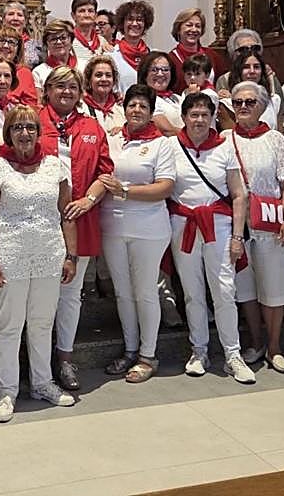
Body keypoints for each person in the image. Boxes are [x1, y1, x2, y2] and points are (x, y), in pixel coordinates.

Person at [0, 106, 77, 422]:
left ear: (39, 132)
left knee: (42, 323)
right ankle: (7, 391)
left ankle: (42, 383)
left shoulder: (55, 166)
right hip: (10, 257)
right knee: (9, 326)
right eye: (18, 127)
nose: (25, 133)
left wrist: (70, 255)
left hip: (49, 255)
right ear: (8, 132)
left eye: (31, 127)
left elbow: (66, 212)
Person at [166, 92, 255, 384]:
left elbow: (239, 194)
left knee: (224, 289)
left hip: (219, 224)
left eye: (205, 114)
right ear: (184, 117)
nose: (200, 120)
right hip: (184, 224)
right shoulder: (171, 146)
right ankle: (199, 350)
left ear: (213, 116)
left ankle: (233, 354)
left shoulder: (224, 147)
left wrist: (238, 236)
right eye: (194, 114)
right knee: (192, 291)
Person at [37, 66, 113, 390]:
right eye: (59, 86)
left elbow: (105, 172)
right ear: (48, 90)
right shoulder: (33, 121)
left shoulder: (92, 127)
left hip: (80, 220)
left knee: (70, 295)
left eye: (72, 86)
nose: (66, 92)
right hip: (39, 221)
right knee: (39, 297)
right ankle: (37, 363)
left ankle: (65, 359)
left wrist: (89, 200)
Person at [97, 84, 176, 383]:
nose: (137, 110)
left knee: (144, 292)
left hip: (148, 228)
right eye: (132, 105)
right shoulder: (114, 138)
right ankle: (130, 350)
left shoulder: (161, 144)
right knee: (123, 292)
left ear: (151, 110)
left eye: (143, 106)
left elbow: (165, 187)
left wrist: (126, 190)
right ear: (124, 107)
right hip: (113, 226)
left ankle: (148, 355)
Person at [228, 80, 284, 374]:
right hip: (238, 227)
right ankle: (256, 342)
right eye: (238, 103)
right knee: (245, 289)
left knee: (274, 287)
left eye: (250, 102)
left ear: (263, 106)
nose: (244, 107)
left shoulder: (275, 140)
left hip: (270, 223)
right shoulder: (224, 138)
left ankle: (275, 347)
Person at [218, 48, 284, 133]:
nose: (252, 71)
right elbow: (232, 138)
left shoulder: (274, 100)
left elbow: (280, 135)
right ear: (239, 71)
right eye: (246, 67)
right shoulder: (227, 104)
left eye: (256, 67)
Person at [167, 8, 228, 91]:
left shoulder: (212, 55)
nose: (194, 29)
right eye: (189, 25)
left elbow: (224, 82)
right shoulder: (171, 59)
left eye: (198, 26)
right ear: (178, 29)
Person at [214, 29, 283, 96]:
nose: (250, 52)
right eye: (243, 49)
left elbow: (281, 107)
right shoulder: (224, 80)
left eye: (255, 48)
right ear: (233, 54)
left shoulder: (270, 77)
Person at [82, 55, 125, 153]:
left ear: (114, 81)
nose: (104, 79)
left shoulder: (122, 106)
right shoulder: (80, 107)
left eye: (108, 75)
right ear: (89, 80)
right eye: (98, 75)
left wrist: (125, 129)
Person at [0, 24, 39, 106]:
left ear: (18, 49)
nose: (5, 46)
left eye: (11, 42)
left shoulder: (24, 73)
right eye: (2, 41)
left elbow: (32, 108)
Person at [111, 0, 154, 92]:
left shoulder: (153, 56)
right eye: (130, 19)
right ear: (122, 23)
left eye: (139, 20)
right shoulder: (111, 56)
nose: (134, 24)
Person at [138, 51, 183, 135]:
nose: (160, 74)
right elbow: (167, 130)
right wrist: (196, 135)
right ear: (145, 74)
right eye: (154, 70)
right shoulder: (144, 99)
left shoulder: (177, 98)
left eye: (165, 70)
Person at [0, 2, 41, 66]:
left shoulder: (35, 45)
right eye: (11, 14)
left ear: (25, 21)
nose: (15, 18)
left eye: (20, 15)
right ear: (3, 19)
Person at [32, 19, 78, 91]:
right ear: (47, 44)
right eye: (53, 39)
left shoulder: (84, 66)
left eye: (63, 38)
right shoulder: (38, 72)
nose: (59, 42)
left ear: (71, 41)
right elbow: (39, 101)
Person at [70, 0, 112, 67]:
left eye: (90, 11)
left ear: (95, 15)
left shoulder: (102, 41)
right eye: (82, 11)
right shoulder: (68, 40)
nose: (87, 15)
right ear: (73, 16)